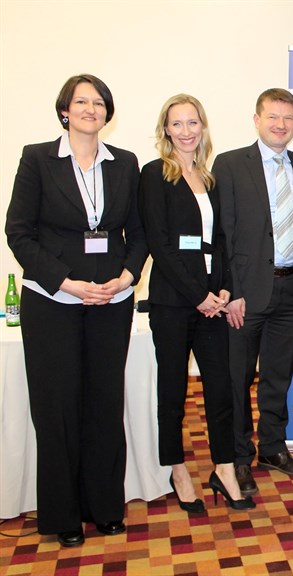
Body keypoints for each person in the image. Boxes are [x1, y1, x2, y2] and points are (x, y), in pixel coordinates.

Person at [5, 74, 148, 547]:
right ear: (64, 110)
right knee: (58, 408)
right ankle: (63, 514)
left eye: (99, 102)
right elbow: (18, 232)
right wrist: (66, 282)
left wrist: (126, 278)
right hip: (53, 301)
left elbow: (139, 233)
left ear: (108, 111)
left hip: (111, 301)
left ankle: (104, 506)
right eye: (81, 101)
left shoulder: (125, 163)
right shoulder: (37, 159)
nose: (91, 109)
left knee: (104, 404)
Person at [140, 94, 254, 511]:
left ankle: (224, 468)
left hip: (211, 303)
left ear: (202, 127)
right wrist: (198, 296)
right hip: (173, 302)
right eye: (177, 123)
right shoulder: (155, 174)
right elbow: (160, 244)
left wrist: (222, 290)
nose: (186, 131)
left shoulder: (209, 178)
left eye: (193, 123)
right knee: (173, 391)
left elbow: (219, 241)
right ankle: (177, 469)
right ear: (166, 130)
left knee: (221, 389)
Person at [214, 89, 293, 496]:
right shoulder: (229, 165)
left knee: (278, 376)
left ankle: (273, 447)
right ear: (256, 119)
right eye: (273, 116)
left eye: (288, 118)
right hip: (246, 294)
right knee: (237, 378)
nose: (281, 125)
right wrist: (233, 291)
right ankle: (239, 457)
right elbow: (223, 233)